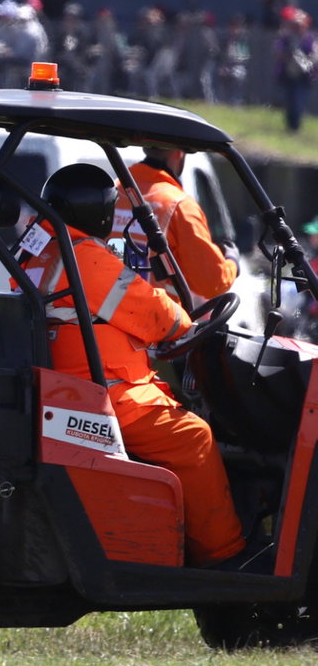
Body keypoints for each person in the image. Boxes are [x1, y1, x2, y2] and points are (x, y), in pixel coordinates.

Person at [25, 163, 248, 568]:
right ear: (99, 213)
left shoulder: (37, 249)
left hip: (67, 386)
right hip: (102, 396)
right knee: (194, 436)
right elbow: (162, 319)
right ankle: (227, 558)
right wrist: (182, 317)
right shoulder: (86, 259)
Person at [113, 147, 237, 305]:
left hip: (104, 317)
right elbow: (211, 284)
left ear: (146, 148)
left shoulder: (112, 193)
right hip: (155, 321)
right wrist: (232, 261)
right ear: (178, 153)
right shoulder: (179, 205)